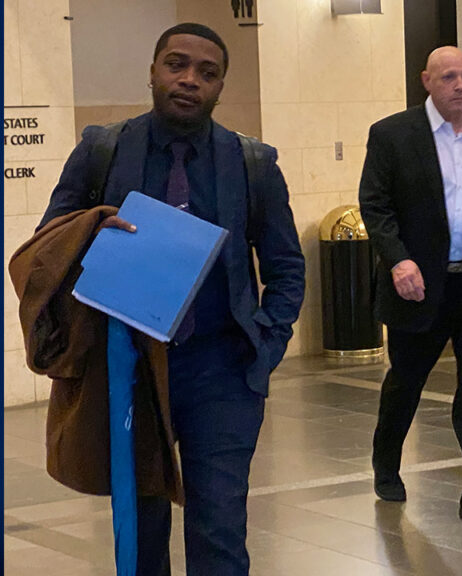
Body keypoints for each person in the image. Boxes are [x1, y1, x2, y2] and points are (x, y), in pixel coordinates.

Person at [37, 23, 305, 575]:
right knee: (140, 528)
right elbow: (48, 246)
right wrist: (92, 233)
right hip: (129, 366)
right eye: (176, 65)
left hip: (222, 371)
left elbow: (286, 267)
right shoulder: (102, 150)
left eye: (207, 73)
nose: (189, 80)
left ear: (221, 86)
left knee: (220, 528)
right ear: (153, 72)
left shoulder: (252, 164)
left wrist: (265, 346)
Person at [358, 46, 462, 525]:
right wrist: (398, 261)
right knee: (406, 382)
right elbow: (375, 205)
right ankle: (386, 463)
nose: (459, 85)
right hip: (417, 284)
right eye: (449, 77)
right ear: (427, 81)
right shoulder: (392, 134)